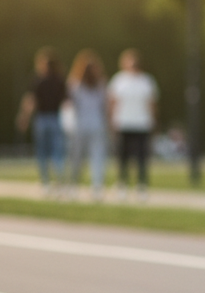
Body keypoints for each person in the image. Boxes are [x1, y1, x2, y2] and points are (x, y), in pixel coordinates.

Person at [107, 49, 159, 199]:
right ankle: (122, 185)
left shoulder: (146, 81)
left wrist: (154, 121)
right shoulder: (119, 81)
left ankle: (141, 186)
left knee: (142, 158)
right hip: (123, 123)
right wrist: (111, 121)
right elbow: (112, 103)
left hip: (142, 124)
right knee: (122, 158)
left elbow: (152, 104)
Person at [16, 47, 68, 195]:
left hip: (43, 119)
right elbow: (66, 102)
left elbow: (30, 101)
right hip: (55, 119)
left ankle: (45, 182)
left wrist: (24, 117)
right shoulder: (59, 80)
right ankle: (59, 180)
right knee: (57, 152)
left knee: (43, 152)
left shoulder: (38, 80)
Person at [67, 49, 108, 199]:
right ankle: (96, 187)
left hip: (80, 125)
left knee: (76, 158)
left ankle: (73, 186)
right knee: (97, 157)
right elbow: (106, 107)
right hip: (96, 124)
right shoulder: (101, 84)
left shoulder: (74, 84)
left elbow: (69, 106)